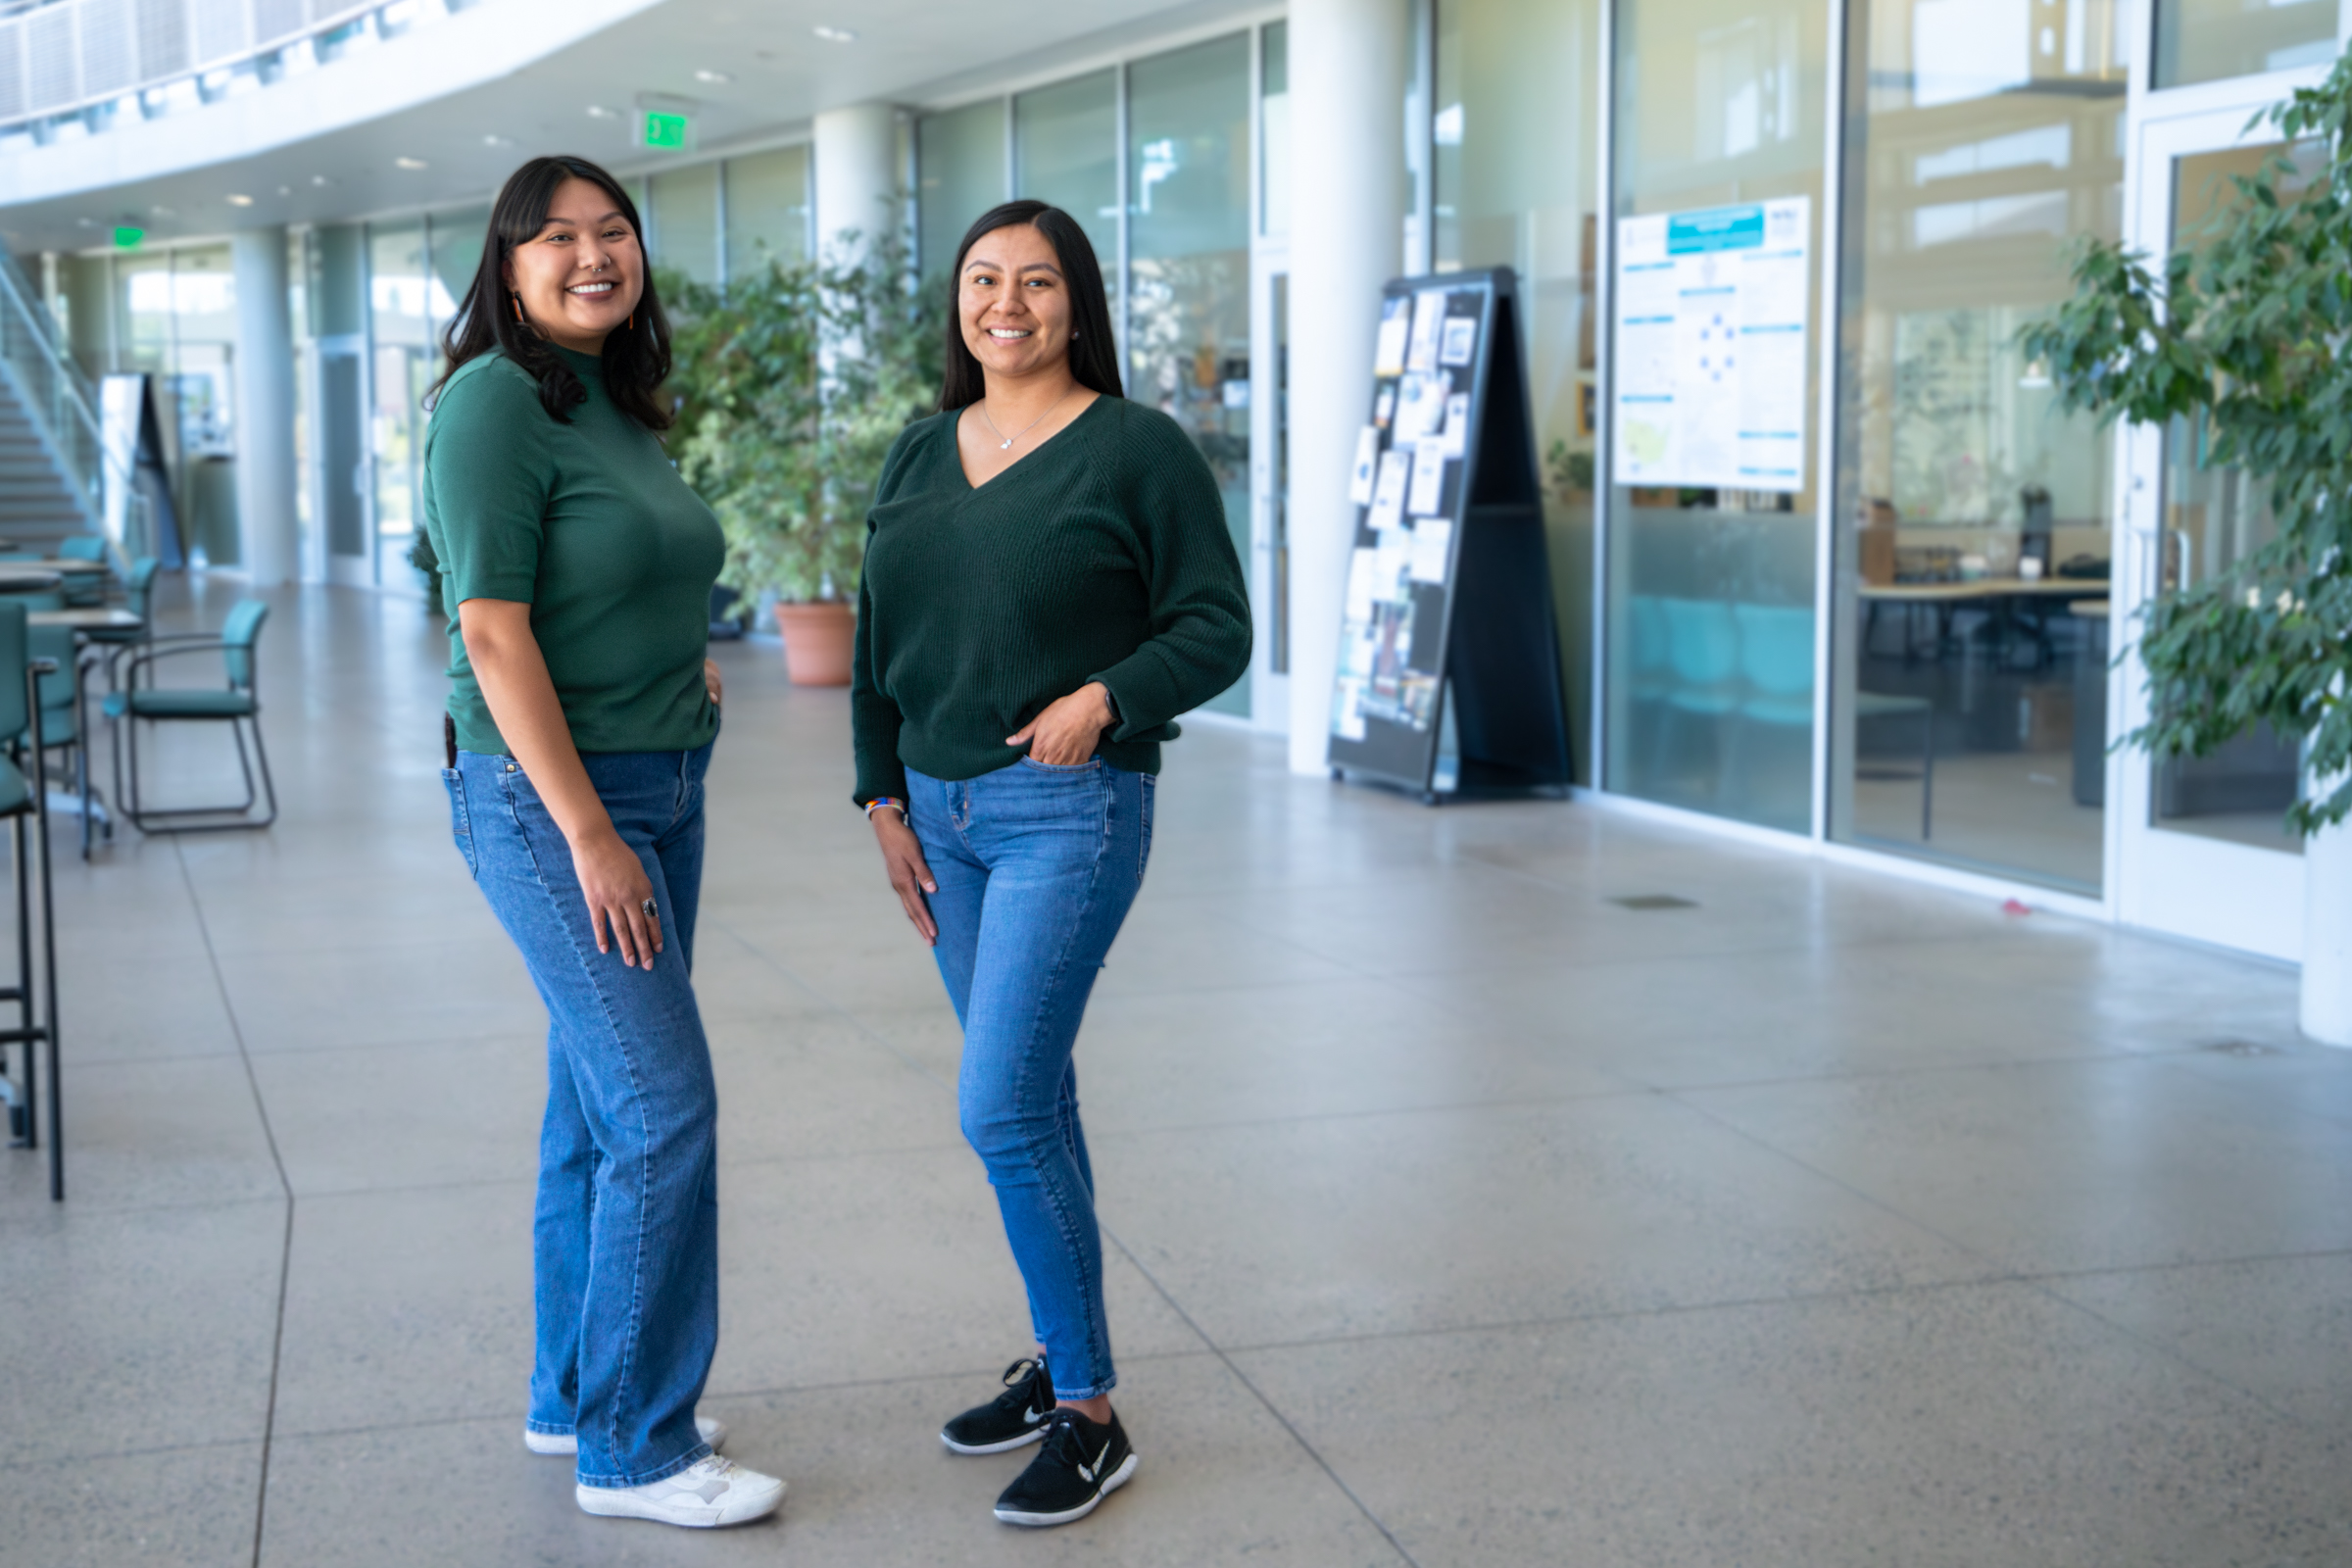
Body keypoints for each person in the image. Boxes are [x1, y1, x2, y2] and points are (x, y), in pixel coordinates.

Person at [851, 199, 1251, 1528]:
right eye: (981, 279)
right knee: (1035, 1101)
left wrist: (1110, 697)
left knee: (1000, 1106)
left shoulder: (1138, 449)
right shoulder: (919, 450)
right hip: (941, 814)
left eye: (1034, 280)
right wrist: (879, 794)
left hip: (1063, 812)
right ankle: (1056, 1359)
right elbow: (872, 642)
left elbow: (1216, 626)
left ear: (1076, 302)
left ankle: (1089, 1411)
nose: (1004, 302)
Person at [419, 155, 784, 1530]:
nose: (593, 254)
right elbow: (492, 630)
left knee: (593, 1104)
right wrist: (588, 832)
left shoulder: (611, 405)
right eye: (557, 236)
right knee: (660, 1108)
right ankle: (636, 1449)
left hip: (658, 777)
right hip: (553, 800)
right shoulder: (492, 400)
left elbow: (630, 570)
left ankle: (574, 1392)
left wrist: (679, 670)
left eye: (613, 230)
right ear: (507, 268)